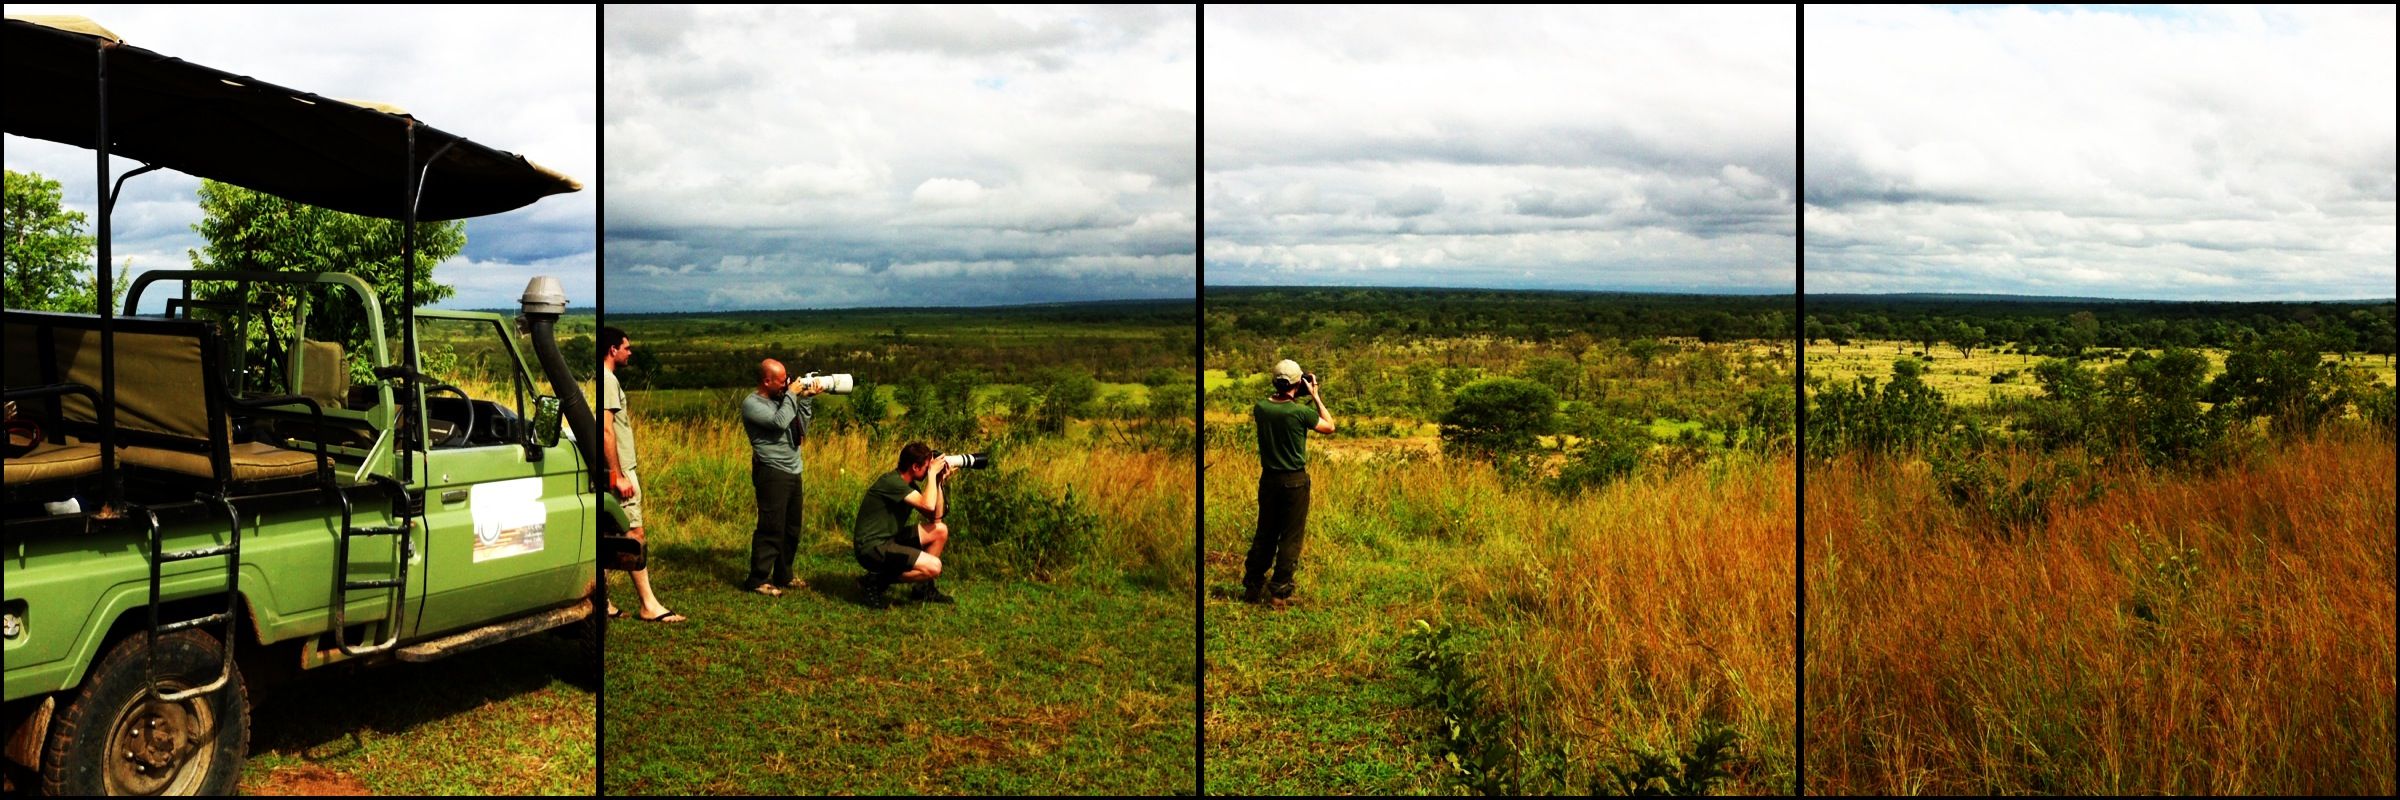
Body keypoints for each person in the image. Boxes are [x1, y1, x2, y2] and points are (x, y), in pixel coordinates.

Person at [601, 327, 684, 623]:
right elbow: (606, 429)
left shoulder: (602, 380)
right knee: (633, 534)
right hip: (619, 470)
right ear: (612, 350)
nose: (630, 352)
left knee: (606, 535)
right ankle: (649, 605)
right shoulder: (608, 381)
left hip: (614, 469)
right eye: (626, 347)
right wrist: (617, 475)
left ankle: (601, 601)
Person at [1244, 359, 1335, 605]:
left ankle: (1252, 585)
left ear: (1275, 382)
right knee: (1290, 537)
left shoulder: (1261, 408)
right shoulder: (1301, 412)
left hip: (1269, 479)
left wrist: (1297, 391)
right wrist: (1315, 396)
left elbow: (1278, 402)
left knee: (1265, 533)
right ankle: (1279, 592)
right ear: (1298, 384)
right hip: (1294, 480)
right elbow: (1329, 426)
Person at [741, 358, 824, 596]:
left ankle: (784, 573)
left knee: (791, 528)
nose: (786, 383)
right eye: (781, 380)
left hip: (793, 469)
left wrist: (805, 400)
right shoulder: (752, 404)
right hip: (772, 471)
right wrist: (791, 395)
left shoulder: (783, 400)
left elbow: (801, 429)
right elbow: (779, 423)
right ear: (766, 381)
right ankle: (757, 578)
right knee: (771, 526)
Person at [851, 442, 955, 608]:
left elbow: (936, 516)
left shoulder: (908, 486)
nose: (929, 470)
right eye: (927, 467)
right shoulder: (892, 483)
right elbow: (928, 505)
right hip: (871, 548)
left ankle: (922, 588)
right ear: (915, 467)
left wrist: (938, 482)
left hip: (889, 540)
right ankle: (875, 581)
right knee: (934, 567)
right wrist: (932, 475)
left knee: (940, 531)